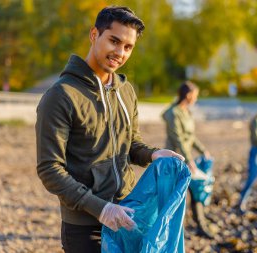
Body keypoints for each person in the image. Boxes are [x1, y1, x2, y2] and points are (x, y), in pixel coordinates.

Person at [35, 6, 184, 253]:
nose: (120, 52)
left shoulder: (126, 91)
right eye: (114, 41)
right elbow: (49, 169)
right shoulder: (61, 96)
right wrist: (101, 209)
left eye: (128, 47)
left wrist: (154, 154)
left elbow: (131, 144)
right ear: (94, 35)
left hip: (128, 214)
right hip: (85, 228)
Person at [162, 81, 214, 239]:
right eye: (195, 95)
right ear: (188, 95)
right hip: (175, 161)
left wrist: (202, 149)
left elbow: (190, 137)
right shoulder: (173, 113)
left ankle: (200, 225)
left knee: (195, 191)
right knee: (177, 196)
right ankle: (174, 231)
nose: (196, 98)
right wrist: (190, 159)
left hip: (186, 159)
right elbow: (178, 138)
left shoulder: (186, 112)